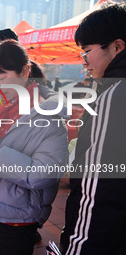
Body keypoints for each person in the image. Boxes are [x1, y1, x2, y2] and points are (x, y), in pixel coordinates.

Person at [0, 40, 68, 255]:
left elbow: (43, 174)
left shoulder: (48, 117)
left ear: (25, 72)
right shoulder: (1, 105)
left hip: (16, 215)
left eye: (3, 76)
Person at [60, 3, 126, 255]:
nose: (84, 62)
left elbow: (99, 190)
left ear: (117, 47)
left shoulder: (115, 94)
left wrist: (76, 247)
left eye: (86, 52)